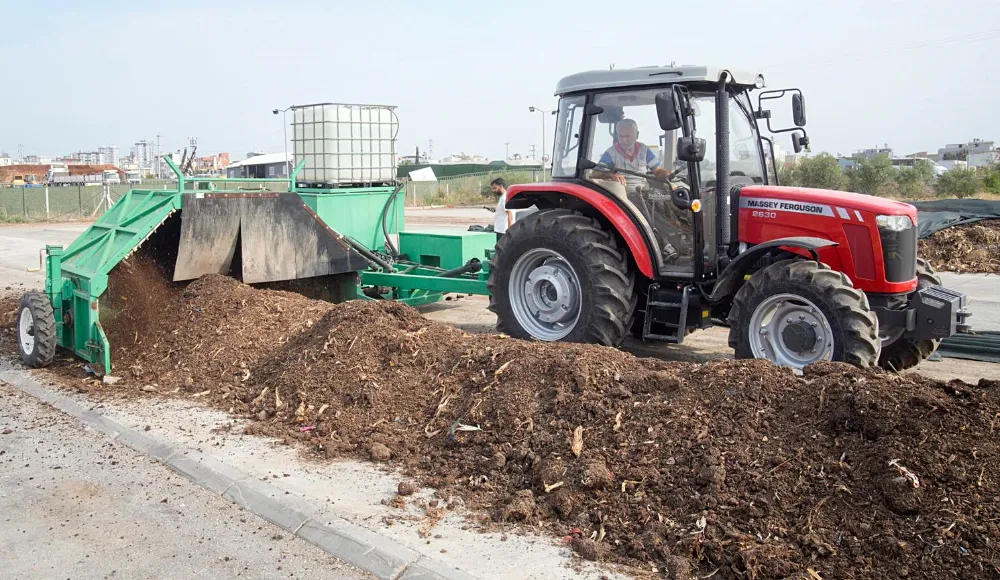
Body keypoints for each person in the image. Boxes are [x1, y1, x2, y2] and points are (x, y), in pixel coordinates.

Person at [594, 119, 672, 192]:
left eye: (627, 136)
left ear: (637, 135)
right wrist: (611, 175)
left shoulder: (644, 149)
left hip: (643, 193)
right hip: (622, 197)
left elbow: (658, 170)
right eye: (621, 136)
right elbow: (596, 174)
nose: (624, 140)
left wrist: (665, 174)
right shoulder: (611, 153)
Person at [490, 177, 511, 242]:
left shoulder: (505, 198)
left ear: (501, 186)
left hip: (503, 231)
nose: (494, 190)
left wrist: (510, 232)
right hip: (500, 230)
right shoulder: (503, 197)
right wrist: (496, 210)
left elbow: (510, 215)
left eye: (495, 188)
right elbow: (504, 211)